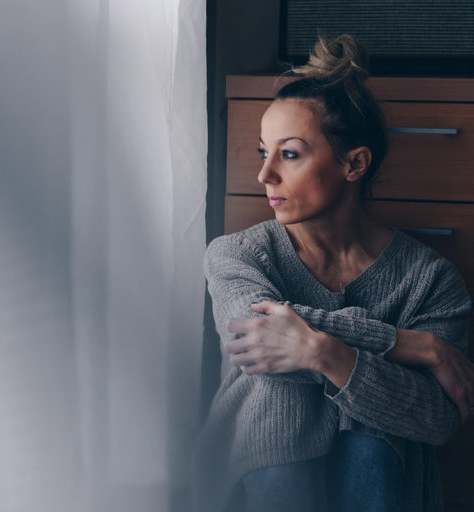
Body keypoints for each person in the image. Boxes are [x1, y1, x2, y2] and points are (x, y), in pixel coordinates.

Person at [193, 34, 474, 512]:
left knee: (368, 419)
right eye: (264, 152)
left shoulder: (430, 280)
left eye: (290, 153)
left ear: (354, 164)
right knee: (277, 388)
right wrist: (409, 345)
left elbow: (437, 420)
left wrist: (326, 354)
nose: (264, 177)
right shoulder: (237, 255)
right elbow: (255, 339)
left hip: (379, 487)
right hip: (255, 488)